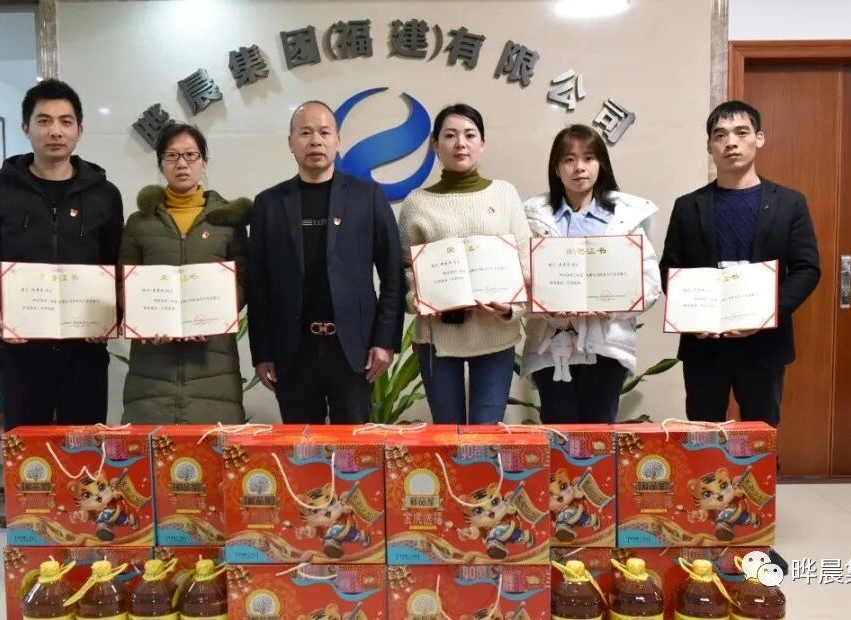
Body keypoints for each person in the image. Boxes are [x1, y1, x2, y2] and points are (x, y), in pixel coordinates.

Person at [0, 79, 124, 431]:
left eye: (66, 121)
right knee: (26, 453)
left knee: (84, 452)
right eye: (44, 121)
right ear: (26, 128)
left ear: (79, 130)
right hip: (21, 352)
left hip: (85, 352)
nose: (55, 131)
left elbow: (117, 264)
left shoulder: (105, 194)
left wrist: (112, 313)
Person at [659, 100, 820, 427]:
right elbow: (670, 270)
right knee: (703, 436)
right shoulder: (688, 207)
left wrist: (767, 312)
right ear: (710, 146)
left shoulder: (789, 203)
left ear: (759, 138)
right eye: (720, 135)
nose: (730, 142)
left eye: (741, 132)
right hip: (704, 345)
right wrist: (690, 316)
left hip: (764, 345)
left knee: (760, 435)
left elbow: (807, 269)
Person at [247, 101, 403, 424]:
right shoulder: (268, 204)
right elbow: (257, 284)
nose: (315, 141)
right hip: (293, 351)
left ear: (338, 140)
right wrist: (262, 352)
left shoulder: (367, 197)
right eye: (305, 133)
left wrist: (384, 341)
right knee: (302, 447)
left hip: (354, 351)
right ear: (291, 143)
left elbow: (392, 274)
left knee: (352, 448)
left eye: (324, 132)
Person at [399, 103, 532, 425]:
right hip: (438, 337)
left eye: (470, 135)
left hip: (496, 333)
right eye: (450, 136)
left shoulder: (504, 194)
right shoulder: (417, 202)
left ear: (482, 143)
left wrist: (511, 308)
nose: (460, 143)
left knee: (487, 433)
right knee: (448, 434)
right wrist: (416, 298)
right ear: (436, 145)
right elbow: (404, 268)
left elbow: (526, 262)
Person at [522, 124, 662, 424]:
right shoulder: (532, 219)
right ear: (556, 168)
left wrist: (612, 306)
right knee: (558, 434)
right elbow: (520, 282)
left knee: (599, 437)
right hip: (551, 346)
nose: (579, 168)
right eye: (569, 159)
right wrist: (546, 307)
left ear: (601, 165)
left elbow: (649, 284)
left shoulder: (625, 218)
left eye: (589, 158)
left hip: (607, 346)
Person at [118, 123, 250, 424]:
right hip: (152, 371)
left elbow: (243, 281)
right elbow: (124, 282)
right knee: (150, 451)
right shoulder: (140, 222)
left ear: (205, 162)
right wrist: (147, 319)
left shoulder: (228, 221)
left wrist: (215, 315)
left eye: (191, 155)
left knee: (213, 449)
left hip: (213, 367)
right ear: (160, 164)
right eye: (172, 156)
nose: (182, 164)